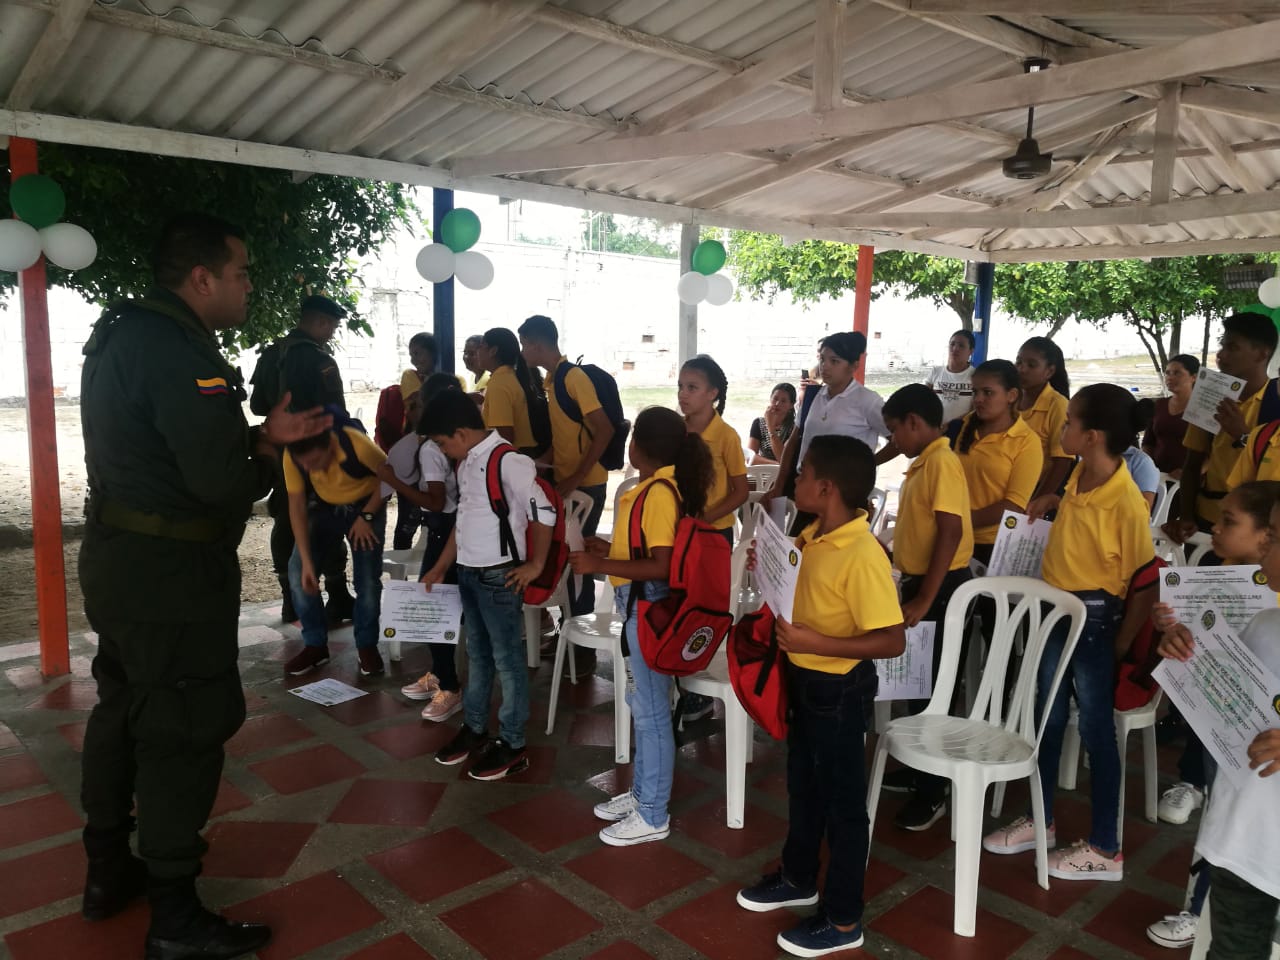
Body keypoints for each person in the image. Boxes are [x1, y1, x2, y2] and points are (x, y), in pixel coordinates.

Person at [78, 212, 329, 958]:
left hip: (121, 560)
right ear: (202, 278)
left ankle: (106, 870)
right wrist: (265, 453)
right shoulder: (181, 350)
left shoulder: (120, 332)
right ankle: (175, 915)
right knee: (181, 730)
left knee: (121, 706)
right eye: (242, 271)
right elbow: (219, 485)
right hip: (172, 579)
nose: (250, 284)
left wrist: (258, 436)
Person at [736, 435, 906, 957]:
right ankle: (798, 876)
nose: (796, 479)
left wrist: (817, 642)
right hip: (804, 680)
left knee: (844, 808)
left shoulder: (861, 552)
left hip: (838, 688)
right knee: (803, 786)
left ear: (826, 488)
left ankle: (842, 920)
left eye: (804, 473)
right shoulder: (813, 532)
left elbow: (892, 638)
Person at [984, 384, 1155, 882]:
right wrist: (1054, 498)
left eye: (1069, 424)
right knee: (1047, 720)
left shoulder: (1125, 502)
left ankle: (1105, 847)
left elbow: (1145, 582)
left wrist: (1119, 646)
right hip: (1055, 613)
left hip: (1094, 623)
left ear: (1092, 436)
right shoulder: (1084, 473)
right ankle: (1043, 820)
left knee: (1098, 733)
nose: (1062, 430)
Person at [1143, 481, 1280, 950]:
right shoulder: (1265, 626)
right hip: (1243, 843)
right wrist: (1183, 652)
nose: (1267, 547)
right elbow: (1225, 702)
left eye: (1276, 537)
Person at [568, 407, 714, 846]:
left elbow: (661, 565)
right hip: (641, 607)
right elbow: (646, 550)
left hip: (650, 610)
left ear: (638, 448)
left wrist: (600, 563)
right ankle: (642, 794)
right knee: (643, 705)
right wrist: (608, 548)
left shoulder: (657, 494)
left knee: (651, 716)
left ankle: (652, 813)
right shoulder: (658, 489)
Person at [421, 390, 555, 781]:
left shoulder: (508, 461)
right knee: (476, 655)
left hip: (499, 575)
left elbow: (542, 510)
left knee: (508, 662)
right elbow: (463, 521)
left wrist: (535, 564)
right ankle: (476, 728)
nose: (445, 451)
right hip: (468, 571)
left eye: (444, 443)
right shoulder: (467, 463)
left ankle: (513, 742)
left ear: (461, 433)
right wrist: (441, 566)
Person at [880, 384, 974, 831]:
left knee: (935, 689)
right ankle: (920, 771)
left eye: (895, 431)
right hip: (923, 583)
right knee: (917, 685)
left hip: (943, 587)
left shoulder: (941, 462)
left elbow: (950, 533)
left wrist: (924, 597)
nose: (894, 441)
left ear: (914, 422)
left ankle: (935, 788)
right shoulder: (925, 462)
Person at [249, 294, 353, 624]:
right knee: (328, 516)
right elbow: (336, 411)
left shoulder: (271, 354)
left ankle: (290, 599)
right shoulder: (318, 359)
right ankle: (336, 595)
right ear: (320, 322)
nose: (332, 333)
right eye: (332, 326)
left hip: (281, 451)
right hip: (316, 452)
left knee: (286, 518)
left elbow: (257, 405)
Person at [517, 314, 615, 619]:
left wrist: (575, 477)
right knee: (568, 554)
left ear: (535, 344)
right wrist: (543, 462)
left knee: (578, 558)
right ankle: (571, 626)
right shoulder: (552, 378)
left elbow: (605, 429)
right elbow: (567, 432)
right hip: (570, 479)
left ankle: (580, 626)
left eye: (524, 345)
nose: (522, 353)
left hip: (587, 484)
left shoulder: (572, 378)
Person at [281, 417, 389, 678]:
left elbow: (390, 479)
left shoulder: (355, 443)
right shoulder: (294, 453)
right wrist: (307, 562)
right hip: (325, 506)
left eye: (315, 462)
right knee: (297, 573)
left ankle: (366, 646)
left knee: (367, 581)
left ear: (329, 445)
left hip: (366, 504)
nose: (310, 468)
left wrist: (368, 517)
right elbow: (296, 507)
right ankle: (315, 645)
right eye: (305, 465)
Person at [386, 374, 466, 722]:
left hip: (443, 531)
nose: (412, 408)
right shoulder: (462, 441)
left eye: (417, 403)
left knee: (435, 609)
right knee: (443, 609)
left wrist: (392, 481)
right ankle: (440, 673)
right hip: (460, 530)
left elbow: (435, 501)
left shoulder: (433, 448)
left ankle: (449, 686)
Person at [764, 332, 897, 532]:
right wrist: (780, 483)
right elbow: (794, 441)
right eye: (822, 359)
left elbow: (898, 441)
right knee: (799, 549)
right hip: (806, 488)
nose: (825, 366)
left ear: (853, 366)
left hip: (842, 497)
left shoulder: (867, 401)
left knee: (836, 553)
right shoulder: (812, 396)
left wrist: (866, 465)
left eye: (834, 361)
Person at [1166, 313, 1278, 545]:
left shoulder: (1276, 402)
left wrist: (1244, 436)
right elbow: (1192, 463)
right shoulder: (1211, 396)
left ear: (1262, 353)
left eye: (1233, 347)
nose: (1221, 356)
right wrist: (1186, 514)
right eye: (1222, 345)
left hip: (1260, 528)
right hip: (1206, 520)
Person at [952, 360, 1044, 566]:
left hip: (991, 545)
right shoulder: (966, 425)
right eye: (975, 392)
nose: (979, 399)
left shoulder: (1026, 443)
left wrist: (961, 521)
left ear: (1011, 395)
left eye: (988, 392)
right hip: (953, 536)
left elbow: (1014, 505)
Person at [679, 354, 749, 542]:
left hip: (714, 531)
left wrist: (703, 519)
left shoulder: (726, 436)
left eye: (692, 387)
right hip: (677, 525)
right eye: (680, 386)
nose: (682, 394)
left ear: (712, 393)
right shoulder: (676, 429)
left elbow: (741, 492)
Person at [1016, 336, 1074, 500]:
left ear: (1049, 371)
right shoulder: (1011, 397)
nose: (1022, 369)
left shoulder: (1057, 405)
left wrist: (1036, 502)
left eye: (1031, 365)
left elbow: (1062, 462)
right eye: (1019, 362)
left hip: (1033, 492)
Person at [480, 327, 542, 457]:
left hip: (512, 458)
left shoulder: (499, 383)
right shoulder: (507, 376)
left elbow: (505, 435)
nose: (478, 352)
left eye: (481, 346)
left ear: (493, 351)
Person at [1144, 354, 1200, 476]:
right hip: (1158, 478)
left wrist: (1191, 473)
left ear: (1194, 377)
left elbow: (1212, 451)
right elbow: (1148, 442)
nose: (1170, 378)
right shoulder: (1159, 405)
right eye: (1167, 373)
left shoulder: (1202, 409)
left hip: (1190, 480)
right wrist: (1150, 467)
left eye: (1177, 373)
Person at [925, 329, 976, 424]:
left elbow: (974, 410)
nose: (955, 348)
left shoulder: (975, 375)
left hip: (962, 431)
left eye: (961, 345)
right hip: (935, 430)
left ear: (971, 351)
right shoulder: (936, 371)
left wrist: (950, 426)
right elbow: (924, 400)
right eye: (952, 344)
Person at [748, 383, 797, 465]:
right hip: (761, 472)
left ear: (791, 405)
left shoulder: (794, 429)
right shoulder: (759, 423)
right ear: (770, 398)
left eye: (783, 401)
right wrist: (777, 465)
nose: (777, 404)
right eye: (775, 398)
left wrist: (770, 427)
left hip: (783, 475)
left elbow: (783, 458)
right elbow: (750, 457)